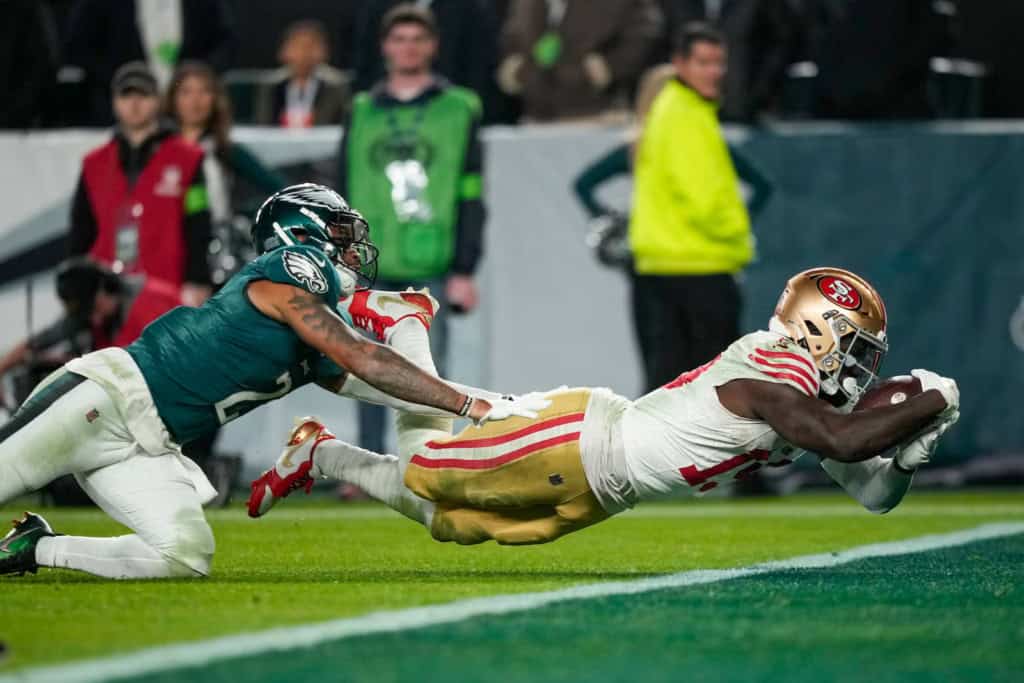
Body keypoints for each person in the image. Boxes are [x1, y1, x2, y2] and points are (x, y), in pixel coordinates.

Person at [0, 184, 538, 579]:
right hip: (104, 399)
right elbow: (364, 356)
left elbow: (395, 384)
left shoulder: (315, 335)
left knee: (185, 555)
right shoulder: (292, 263)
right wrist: (472, 406)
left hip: (147, 443)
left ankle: (35, 547)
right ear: (299, 233)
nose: (352, 249)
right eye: (341, 233)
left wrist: (500, 403)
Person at [249, 267, 960, 547]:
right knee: (428, 469)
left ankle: (320, 453)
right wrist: (933, 396)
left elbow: (872, 494)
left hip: (608, 488)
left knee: (452, 524)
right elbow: (841, 440)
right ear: (816, 331)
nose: (861, 367)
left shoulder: (807, 400)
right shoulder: (777, 364)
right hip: (583, 439)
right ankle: (408, 321)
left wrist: (906, 457)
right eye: (855, 347)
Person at [338, 4, 487, 455]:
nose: (408, 48)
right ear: (385, 47)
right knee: (364, 368)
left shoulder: (459, 108)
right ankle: (369, 459)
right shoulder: (361, 110)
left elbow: (471, 193)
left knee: (427, 373)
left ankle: (430, 460)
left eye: (417, 39)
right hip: (368, 261)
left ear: (432, 46)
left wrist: (465, 267)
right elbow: (342, 189)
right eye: (399, 39)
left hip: (430, 259)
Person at [628, 23, 752, 393]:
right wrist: (737, 234)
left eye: (719, 62)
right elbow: (702, 195)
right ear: (680, 64)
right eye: (703, 62)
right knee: (716, 392)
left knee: (670, 387)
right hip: (698, 263)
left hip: (668, 262)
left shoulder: (672, 108)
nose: (714, 71)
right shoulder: (685, 114)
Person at [67, 62, 215, 307]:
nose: (134, 104)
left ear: (157, 101)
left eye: (143, 95)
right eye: (126, 95)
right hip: (106, 299)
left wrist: (197, 279)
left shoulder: (187, 159)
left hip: (168, 293)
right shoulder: (94, 163)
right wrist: (77, 286)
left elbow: (199, 222)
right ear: (115, 102)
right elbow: (81, 229)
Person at [165, 60, 288, 284]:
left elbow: (279, 188)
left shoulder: (225, 150)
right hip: (167, 248)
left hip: (215, 256)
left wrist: (245, 216)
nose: (195, 101)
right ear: (172, 99)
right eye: (186, 92)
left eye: (204, 91)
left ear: (215, 99)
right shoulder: (159, 150)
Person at [0, 258, 182, 409]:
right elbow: (40, 340)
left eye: (94, 308)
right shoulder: (88, 314)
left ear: (106, 288)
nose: (94, 320)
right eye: (87, 313)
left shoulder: (156, 304)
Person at [65, 0, 236, 125]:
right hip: (115, 121)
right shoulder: (98, 5)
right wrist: (127, 84)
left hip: (192, 123)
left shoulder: (207, 4)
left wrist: (195, 83)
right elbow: (79, 47)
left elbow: (225, 44)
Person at [497, 0, 663, 122]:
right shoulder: (525, 4)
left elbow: (644, 29)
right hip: (535, 118)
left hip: (598, 115)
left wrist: (610, 66)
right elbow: (512, 37)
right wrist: (514, 68)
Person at [253, 20, 349, 129]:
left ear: (324, 51)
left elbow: (342, 125)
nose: (304, 53)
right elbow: (262, 126)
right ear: (284, 51)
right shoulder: (271, 86)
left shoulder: (335, 85)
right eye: (297, 46)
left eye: (310, 46)